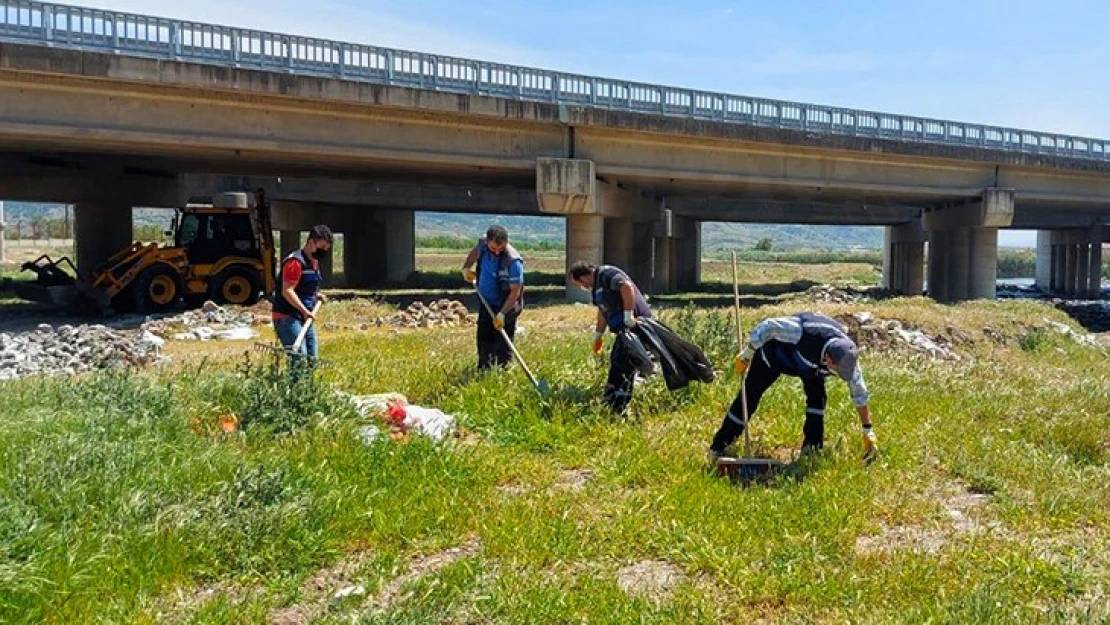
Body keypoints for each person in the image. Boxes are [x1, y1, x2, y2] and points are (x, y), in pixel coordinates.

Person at [708, 312, 879, 463]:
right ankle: (718, 447)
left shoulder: (847, 356)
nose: (840, 375)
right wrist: (748, 352)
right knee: (749, 397)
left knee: (817, 400)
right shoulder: (802, 331)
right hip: (774, 356)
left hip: (810, 368)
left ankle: (811, 451)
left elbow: (859, 392)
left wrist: (868, 430)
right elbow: (768, 326)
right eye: (837, 371)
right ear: (828, 358)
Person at [570, 260, 717, 415]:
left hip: (635, 325)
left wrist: (628, 315)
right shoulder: (597, 289)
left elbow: (626, 287)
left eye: (579, 283)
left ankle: (616, 406)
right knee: (622, 362)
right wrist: (598, 335)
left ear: (583, 277)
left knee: (622, 363)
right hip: (623, 330)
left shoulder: (606, 274)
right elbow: (603, 311)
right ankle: (617, 402)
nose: (582, 287)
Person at [461, 225, 525, 370]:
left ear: (506, 243)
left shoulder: (513, 261)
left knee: (502, 344)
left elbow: (515, 292)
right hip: (486, 301)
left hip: (506, 305)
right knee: (484, 338)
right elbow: (474, 253)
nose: (497, 252)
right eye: (493, 249)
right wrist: (466, 268)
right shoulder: (483, 245)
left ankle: (502, 371)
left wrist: (502, 314)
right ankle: (483, 368)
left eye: (500, 249)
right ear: (488, 242)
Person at [271, 225, 332, 360]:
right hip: (287, 317)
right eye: (322, 247)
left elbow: (305, 287)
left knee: (312, 358)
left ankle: (307, 382)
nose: (324, 252)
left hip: (304, 317)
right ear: (311, 243)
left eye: (327, 249)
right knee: (299, 358)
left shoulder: (314, 263)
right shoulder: (295, 262)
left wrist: (316, 295)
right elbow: (287, 291)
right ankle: (294, 382)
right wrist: (304, 311)